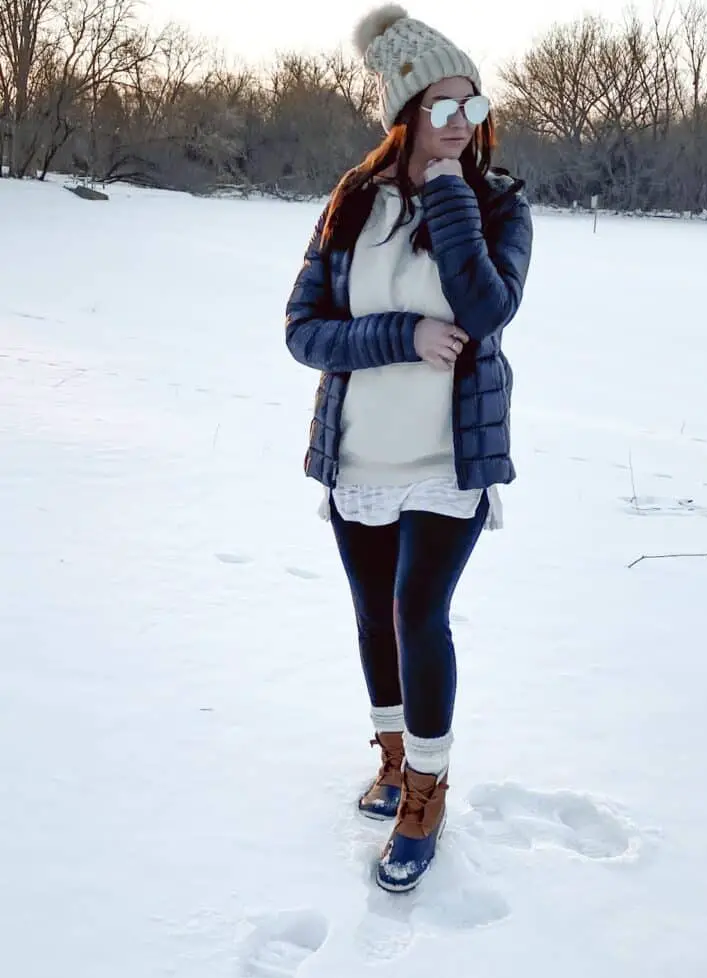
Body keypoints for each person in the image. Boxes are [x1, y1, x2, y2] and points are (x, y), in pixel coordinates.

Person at [285, 4, 533, 892]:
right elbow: (304, 332)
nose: (462, 119)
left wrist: (449, 192)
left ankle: (426, 790)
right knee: (371, 615)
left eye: (472, 101)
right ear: (405, 113)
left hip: (447, 460)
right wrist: (399, 334)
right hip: (359, 461)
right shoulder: (351, 205)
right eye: (442, 104)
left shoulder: (498, 203)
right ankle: (393, 758)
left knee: (418, 613)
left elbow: (486, 308)